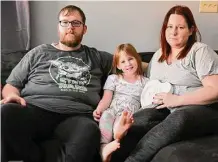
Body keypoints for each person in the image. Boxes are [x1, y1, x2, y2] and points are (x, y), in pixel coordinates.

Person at [1, 5, 113, 162]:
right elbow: (11, 85)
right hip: (34, 109)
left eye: (76, 23)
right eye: (65, 22)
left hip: (77, 115)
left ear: (84, 29)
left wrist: (159, 57)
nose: (70, 28)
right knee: (4, 113)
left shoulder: (97, 57)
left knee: (90, 131)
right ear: (58, 27)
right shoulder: (38, 52)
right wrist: (12, 95)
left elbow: (130, 62)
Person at [121, 5, 218, 162]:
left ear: (191, 30)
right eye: (170, 27)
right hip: (166, 109)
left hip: (203, 109)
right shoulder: (159, 54)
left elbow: (215, 90)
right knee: (138, 119)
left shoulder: (199, 51)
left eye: (180, 27)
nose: (173, 32)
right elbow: (147, 78)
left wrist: (177, 100)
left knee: (179, 118)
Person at [93, 43, 149, 162]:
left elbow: (146, 103)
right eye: (123, 62)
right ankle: (104, 148)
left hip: (128, 115)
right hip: (112, 110)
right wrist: (99, 109)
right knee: (106, 117)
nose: (128, 64)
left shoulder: (146, 82)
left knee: (122, 122)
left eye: (130, 59)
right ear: (118, 65)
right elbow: (106, 98)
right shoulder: (113, 78)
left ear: (137, 59)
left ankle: (118, 136)